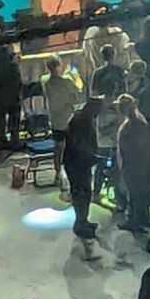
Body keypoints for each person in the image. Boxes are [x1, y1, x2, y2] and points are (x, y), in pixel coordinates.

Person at [117, 94, 150, 231]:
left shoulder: (126, 128)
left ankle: (134, 220)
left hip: (132, 166)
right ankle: (144, 218)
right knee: (144, 193)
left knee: (133, 194)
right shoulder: (142, 123)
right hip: (145, 164)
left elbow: (124, 150)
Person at [65, 96, 104, 238]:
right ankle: (80, 224)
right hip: (77, 164)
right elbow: (79, 146)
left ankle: (83, 221)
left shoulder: (84, 118)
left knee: (85, 193)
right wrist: (93, 157)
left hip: (80, 163)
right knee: (81, 193)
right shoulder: (81, 122)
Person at [42, 55, 82, 187]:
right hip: (68, 119)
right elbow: (77, 96)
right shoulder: (67, 82)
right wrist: (74, 76)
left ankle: (57, 173)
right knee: (71, 148)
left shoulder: (46, 82)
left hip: (55, 119)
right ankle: (73, 174)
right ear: (59, 66)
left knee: (58, 148)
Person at [0, 41, 22, 150]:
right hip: (11, 88)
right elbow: (14, 70)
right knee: (14, 115)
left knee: (0, 116)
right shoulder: (5, 49)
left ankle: (2, 140)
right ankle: (14, 139)